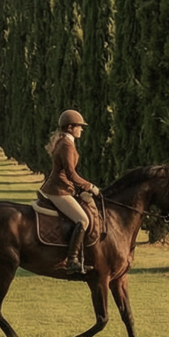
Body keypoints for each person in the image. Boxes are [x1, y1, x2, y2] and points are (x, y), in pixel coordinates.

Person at [41, 109, 97, 274]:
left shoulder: (65, 141)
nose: (82, 129)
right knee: (83, 220)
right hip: (58, 190)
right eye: (79, 126)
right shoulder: (66, 145)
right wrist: (89, 186)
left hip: (63, 188)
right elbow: (71, 174)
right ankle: (72, 261)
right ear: (70, 127)